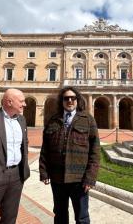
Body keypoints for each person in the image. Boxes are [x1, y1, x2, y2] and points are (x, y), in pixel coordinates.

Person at [39, 87, 100, 224]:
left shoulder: (88, 120)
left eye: (73, 98)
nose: (70, 101)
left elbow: (95, 151)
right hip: (57, 178)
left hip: (79, 179)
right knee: (59, 214)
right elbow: (45, 149)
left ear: (78, 100)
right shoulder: (53, 120)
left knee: (82, 217)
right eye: (66, 98)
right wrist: (44, 171)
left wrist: (90, 177)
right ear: (62, 101)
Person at [0, 88, 30, 224]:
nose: (24, 104)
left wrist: (23, 169)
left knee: (10, 218)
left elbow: (24, 143)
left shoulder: (22, 120)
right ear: (9, 101)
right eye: (21, 101)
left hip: (16, 177)